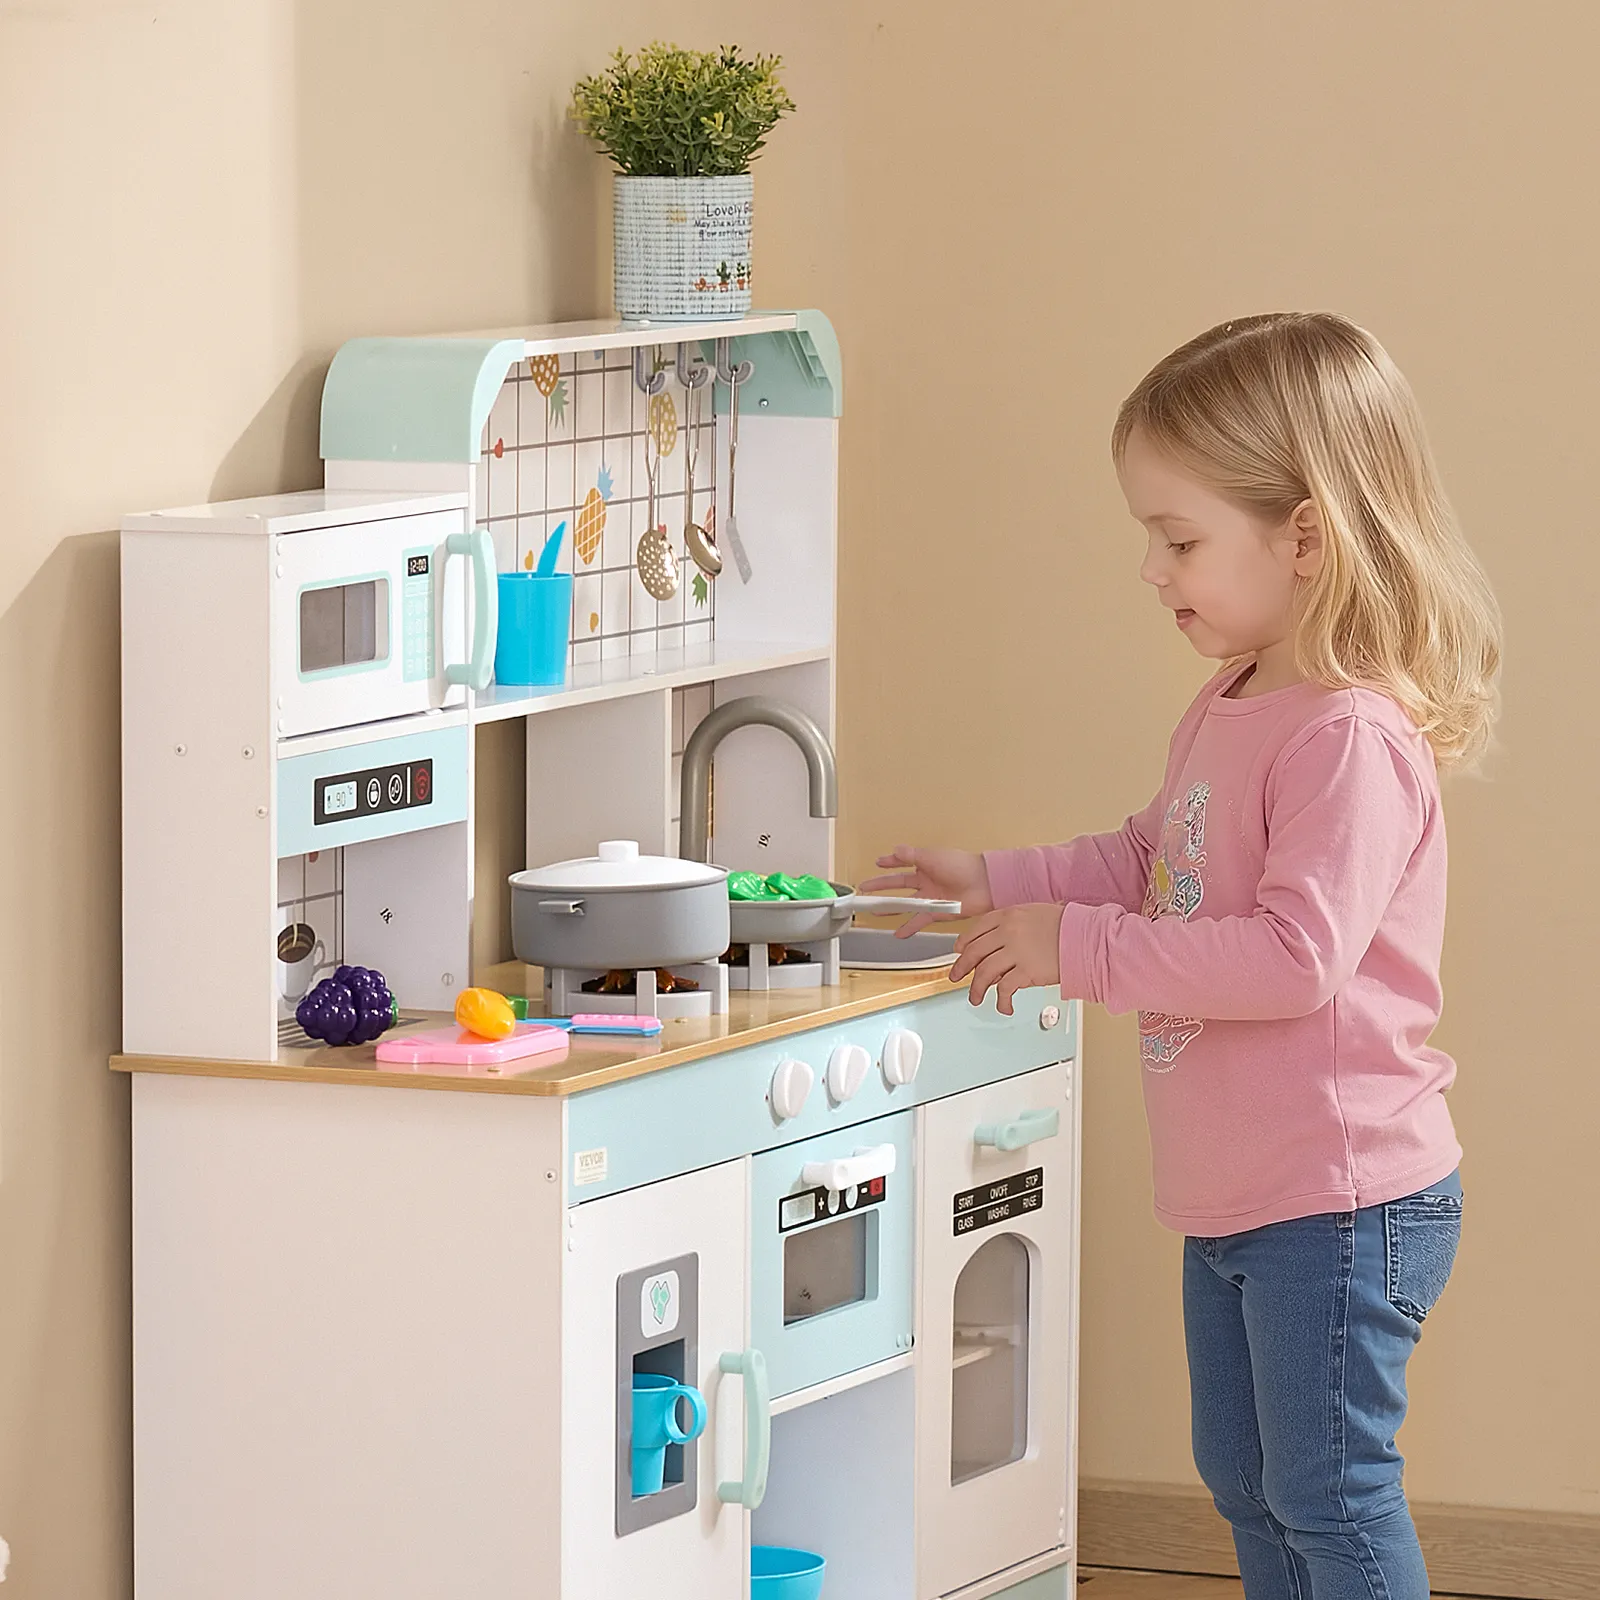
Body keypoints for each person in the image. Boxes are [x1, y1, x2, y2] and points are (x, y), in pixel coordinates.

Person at [864, 313, 1501, 1600]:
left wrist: (1076, 948)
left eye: (1179, 539)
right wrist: (999, 879)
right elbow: (1152, 856)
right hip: (1242, 1192)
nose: (1152, 570)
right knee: (1249, 1482)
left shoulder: (1346, 738)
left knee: (1329, 1493)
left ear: (1305, 536)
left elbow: (1294, 958)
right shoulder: (1234, 700)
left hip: (1337, 1195)